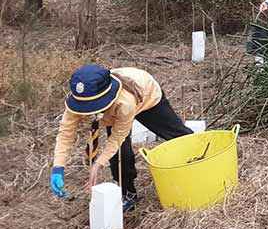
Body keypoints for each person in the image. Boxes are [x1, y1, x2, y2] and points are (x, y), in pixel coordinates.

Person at [50, 64, 193, 211]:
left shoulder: (125, 103)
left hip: (147, 96)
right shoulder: (78, 99)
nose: (88, 110)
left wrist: (98, 164)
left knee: (177, 134)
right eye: (86, 107)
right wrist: (58, 167)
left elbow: (118, 136)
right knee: (119, 155)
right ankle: (128, 193)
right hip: (112, 112)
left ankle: (198, 159)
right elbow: (65, 134)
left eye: (93, 105)